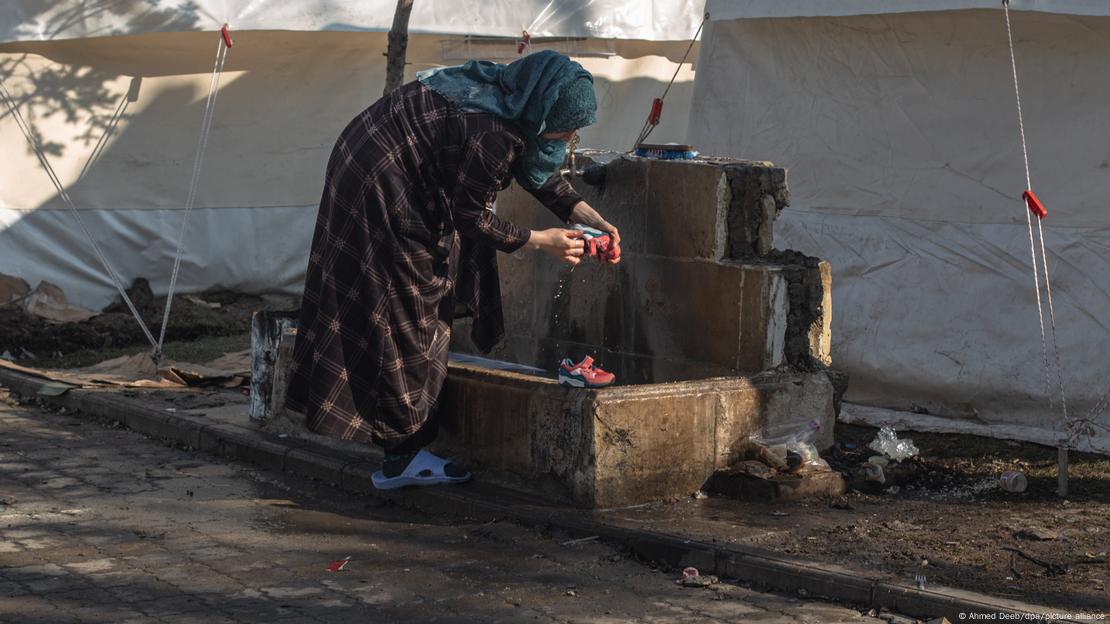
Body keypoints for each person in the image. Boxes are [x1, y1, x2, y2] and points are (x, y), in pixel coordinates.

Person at [285, 50, 621, 490]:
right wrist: (543, 241)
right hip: (382, 185)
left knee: (416, 292)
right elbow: (473, 219)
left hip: (368, 161)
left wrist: (591, 219)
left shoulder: (508, 97)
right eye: (567, 127)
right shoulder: (493, 130)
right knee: (406, 305)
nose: (571, 136)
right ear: (546, 113)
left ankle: (401, 443)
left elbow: (535, 169)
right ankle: (402, 458)